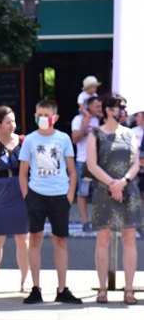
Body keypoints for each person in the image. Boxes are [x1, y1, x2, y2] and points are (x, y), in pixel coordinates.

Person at [18, 99, 81, 305]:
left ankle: (62, 288)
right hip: (36, 194)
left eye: (46, 114)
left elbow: (72, 170)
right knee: (34, 239)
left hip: (60, 195)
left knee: (60, 241)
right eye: (39, 114)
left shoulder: (63, 139)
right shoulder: (30, 140)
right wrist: (27, 195)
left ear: (55, 117)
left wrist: (70, 195)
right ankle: (35, 288)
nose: (42, 118)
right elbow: (23, 172)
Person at [85, 94, 143, 304]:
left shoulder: (129, 134)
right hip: (103, 190)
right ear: (109, 110)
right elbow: (92, 165)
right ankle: (102, 289)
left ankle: (129, 289)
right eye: (121, 107)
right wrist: (112, 183)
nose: (124, 111)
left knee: (129, 238)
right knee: (103, 239)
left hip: (128, 190)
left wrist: (123, 182)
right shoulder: (95, 135)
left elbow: (136, 163)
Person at [0, 106, 30, 293]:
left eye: (14, 121)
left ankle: (25, 280)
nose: (13, 125)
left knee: (22, 239)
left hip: (20, 189)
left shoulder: (23, 141)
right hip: (1, 191)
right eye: (8, 122)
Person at [71, 96, 102, 232]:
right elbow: (75, 139)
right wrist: (85, 124)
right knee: (83, 192)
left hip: (99, 161)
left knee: (99, 192)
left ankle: (98, 220)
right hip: (83, 160)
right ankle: (85, 221)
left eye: (101, 106)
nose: (99, 109)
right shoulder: (78, 119)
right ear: (88, 106)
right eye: (97, 106)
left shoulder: (100, 121)